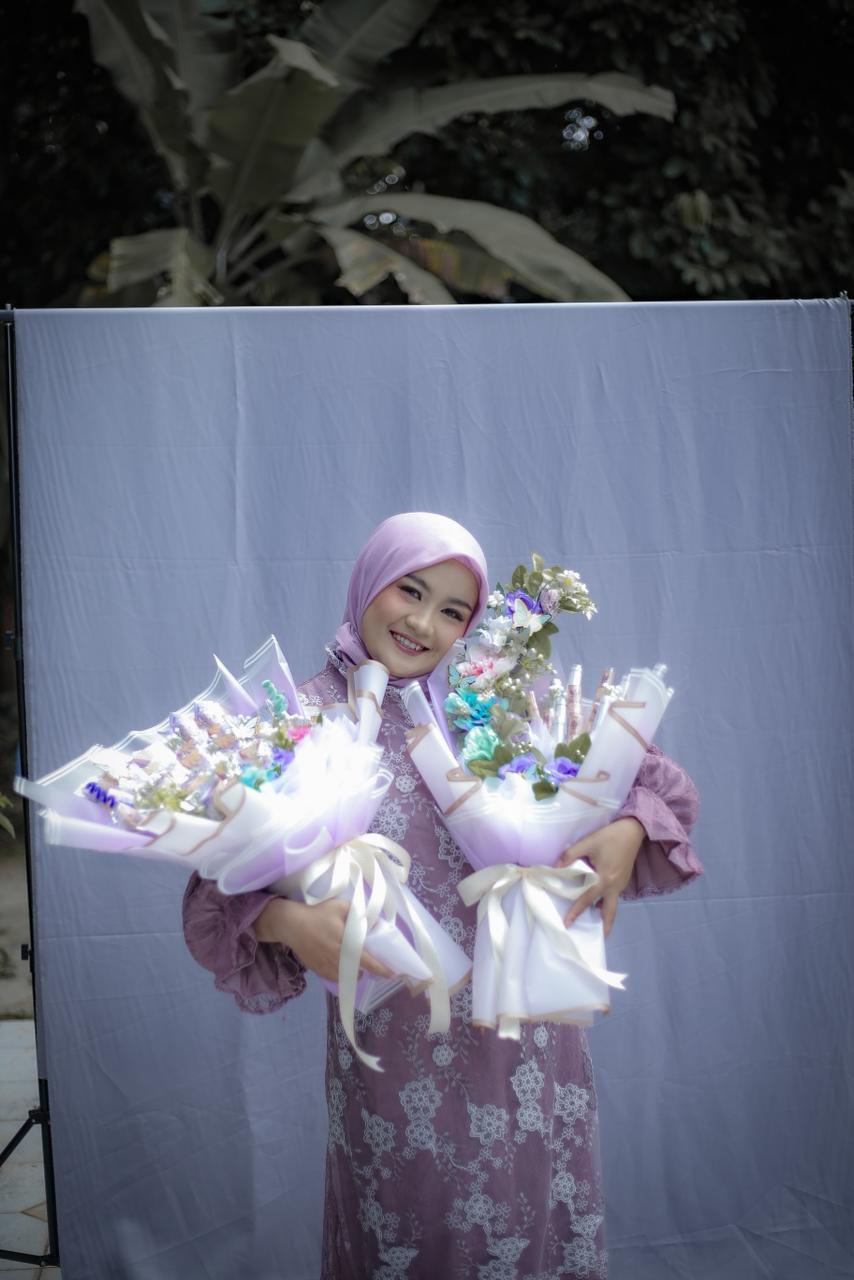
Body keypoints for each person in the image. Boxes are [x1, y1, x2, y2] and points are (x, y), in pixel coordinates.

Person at [183, 512, 702, 1280]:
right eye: (410, 590)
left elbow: (654, 786)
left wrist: (626, 832)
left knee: (534, 1227)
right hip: (396, 1061)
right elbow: (210, 895)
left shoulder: (498, 697)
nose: (424, 624)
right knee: (412, 1236)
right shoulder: (302, 719)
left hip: (529, 1037)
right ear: (368, 581)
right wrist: (289, 921)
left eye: (454, 610)